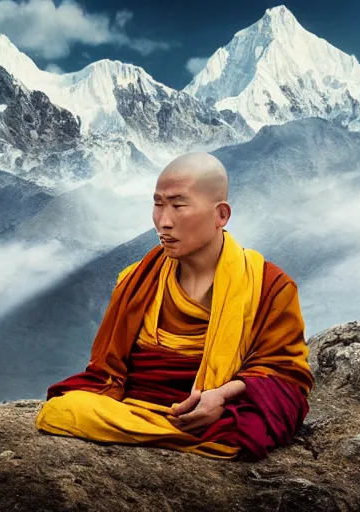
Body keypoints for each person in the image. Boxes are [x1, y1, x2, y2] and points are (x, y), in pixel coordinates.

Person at [35, 152, 313, 461]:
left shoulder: (269, 287)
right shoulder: (137, 280)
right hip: (134, 403)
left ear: (221, 215)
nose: (164, 222)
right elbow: (107, 373)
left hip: (214, 412)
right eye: (158, 205)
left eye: (179, 205)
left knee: (246, 429)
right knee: (60, 411)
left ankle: (172, 429)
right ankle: (177, 433)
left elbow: (286, 379)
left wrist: (221, 394)